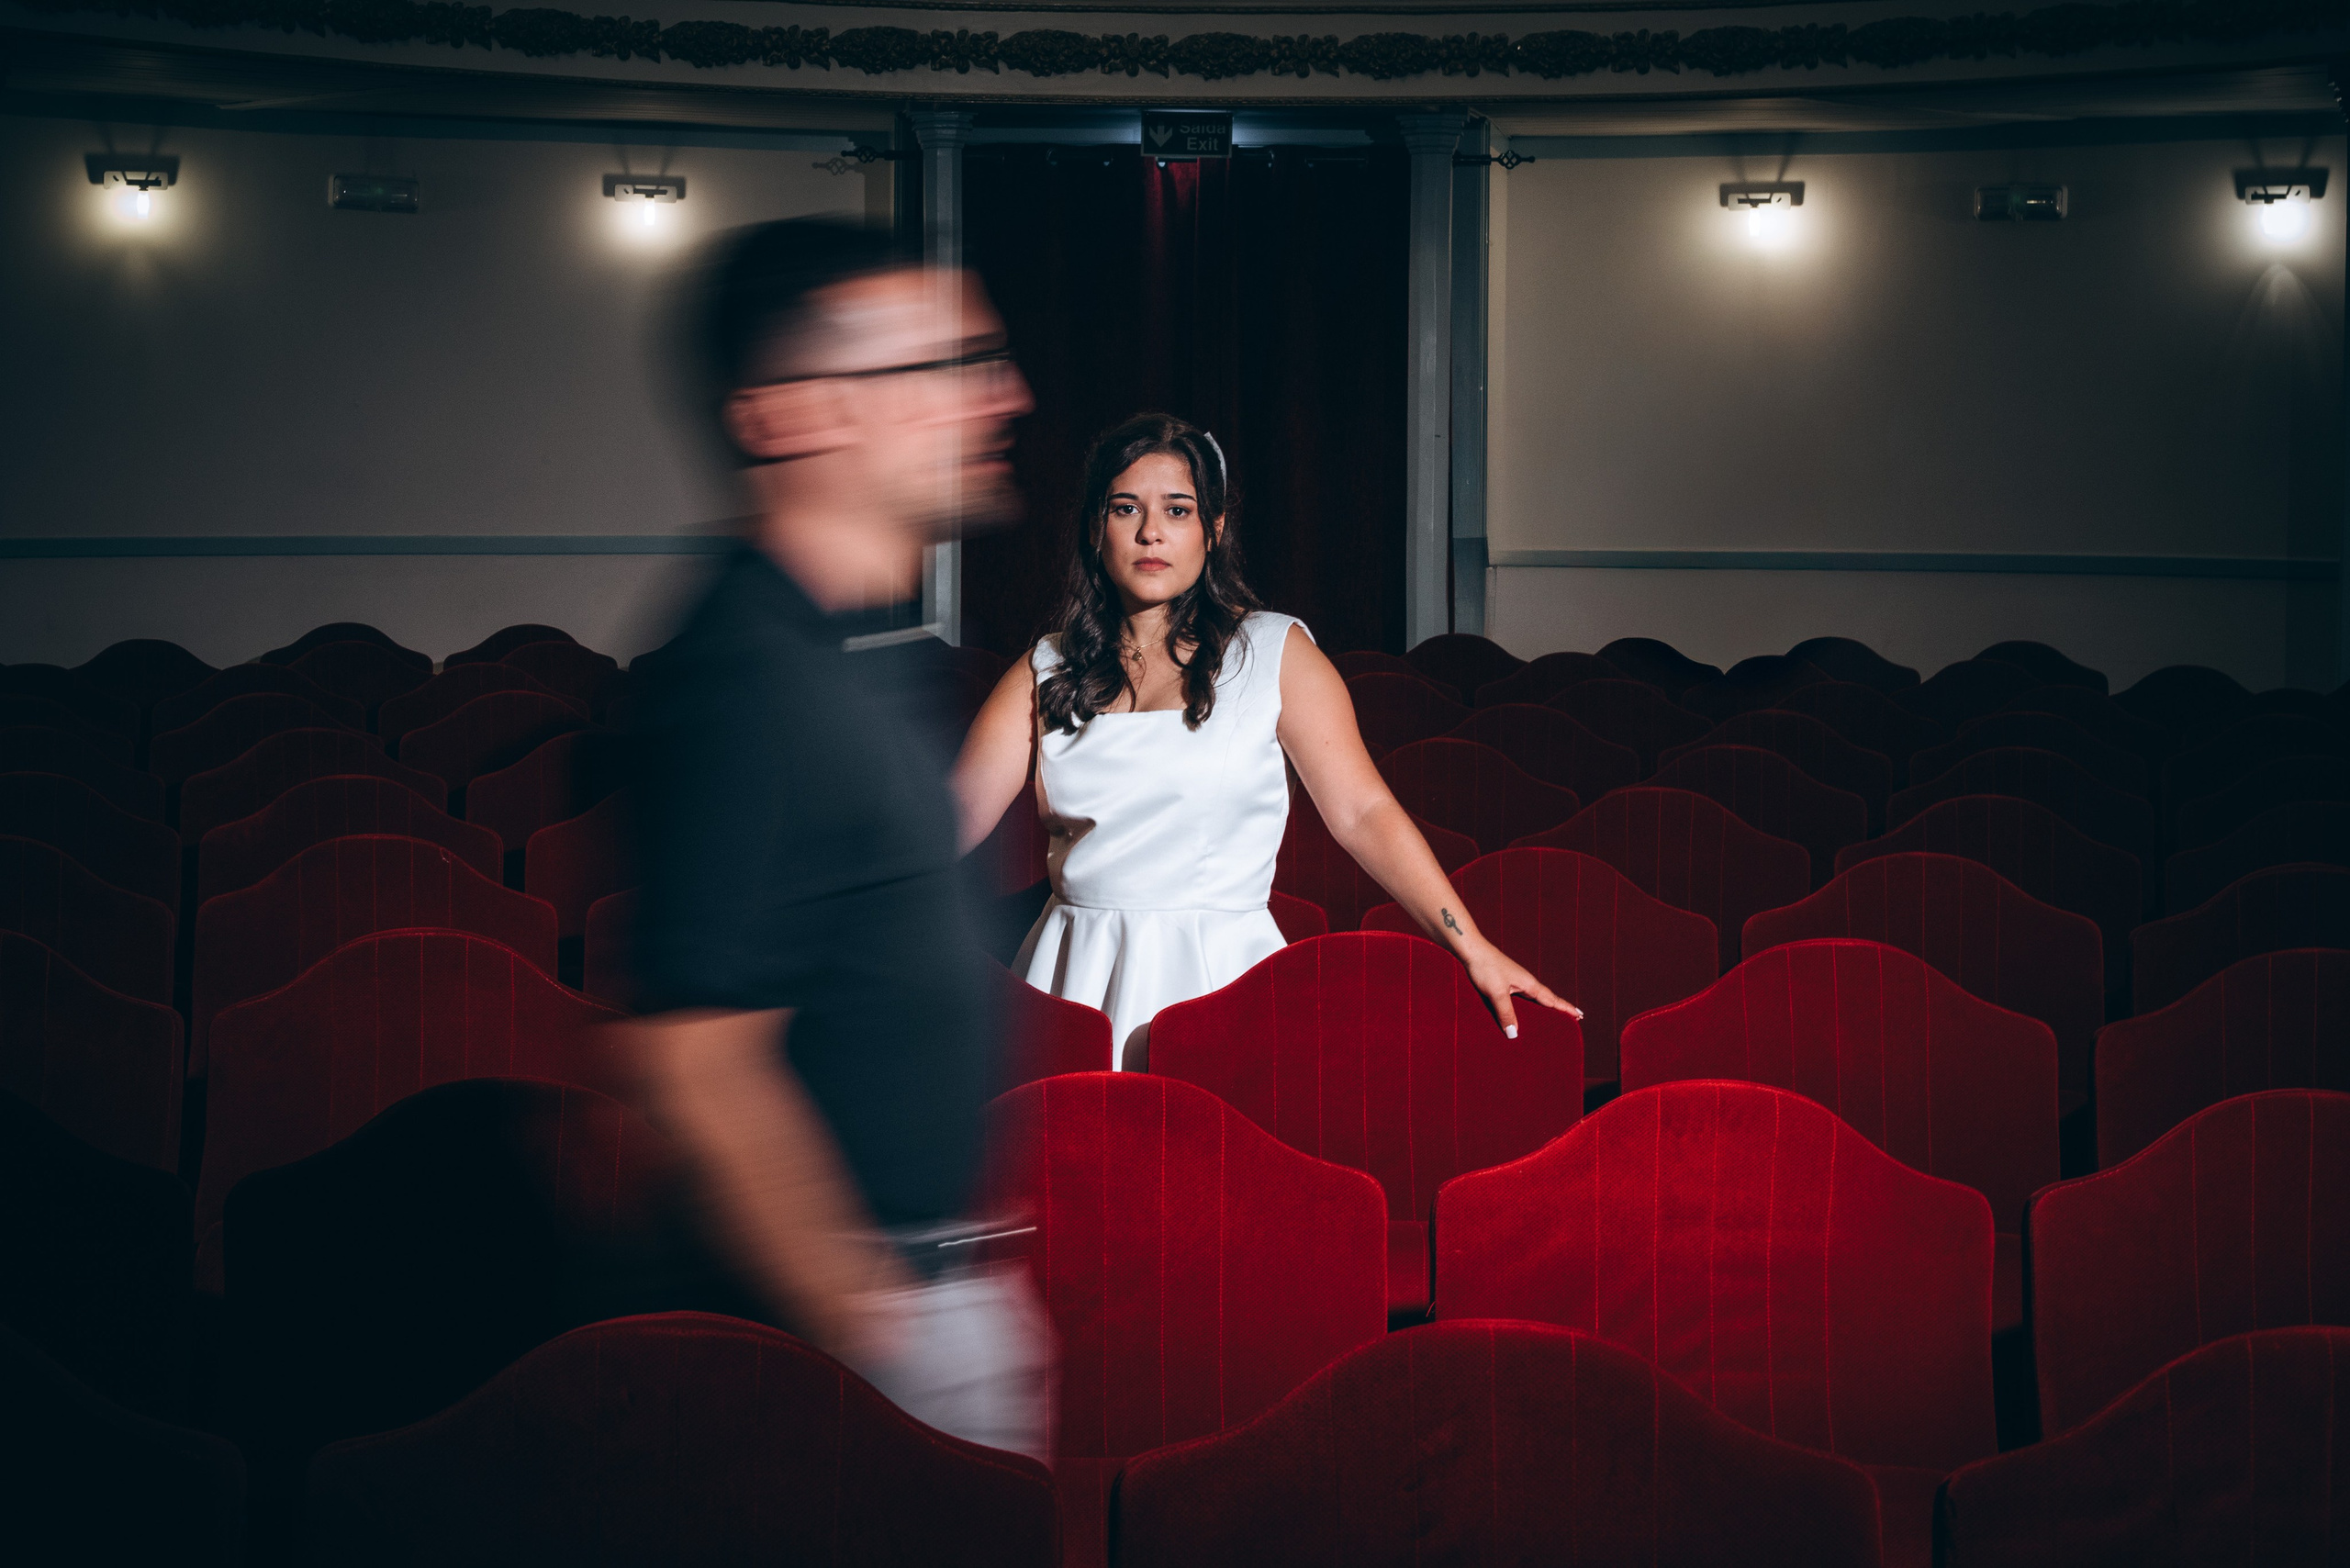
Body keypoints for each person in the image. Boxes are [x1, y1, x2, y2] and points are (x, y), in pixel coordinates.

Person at [621, 218, 1051, 1461]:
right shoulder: (747, 680)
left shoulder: (854, 656)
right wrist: (895, 1349)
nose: (1003, 393)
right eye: (948, 364)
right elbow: (700, 1066)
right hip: (866, 1344)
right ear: (791, 416)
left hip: (928, 1294)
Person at [953, 412, 1578, 1070]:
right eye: (1125, 508)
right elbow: (948, 821)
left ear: (1214, 530)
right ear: (1093, 527)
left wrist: (1469, 943)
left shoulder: (1277, 651)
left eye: (1179, 509)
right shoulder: (1047, 667)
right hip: (1071, 973)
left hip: (1222, 975)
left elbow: (1364, 814)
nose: (1151, 531)